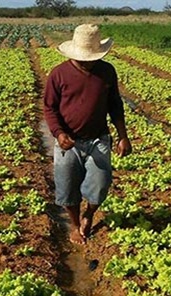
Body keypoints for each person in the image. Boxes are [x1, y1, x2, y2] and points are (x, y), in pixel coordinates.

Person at [44, 24, 132, 245]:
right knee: (66, 187)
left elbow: (115, 104)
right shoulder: (59, 74)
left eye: (92, 57)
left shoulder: (107, 71)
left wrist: (123, 136)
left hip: (98, 139)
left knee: (101, 183)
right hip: (68, 142)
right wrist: (59, 133)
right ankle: (75, 225)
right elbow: (49, 108)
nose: (88, 61)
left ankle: (89, 213)